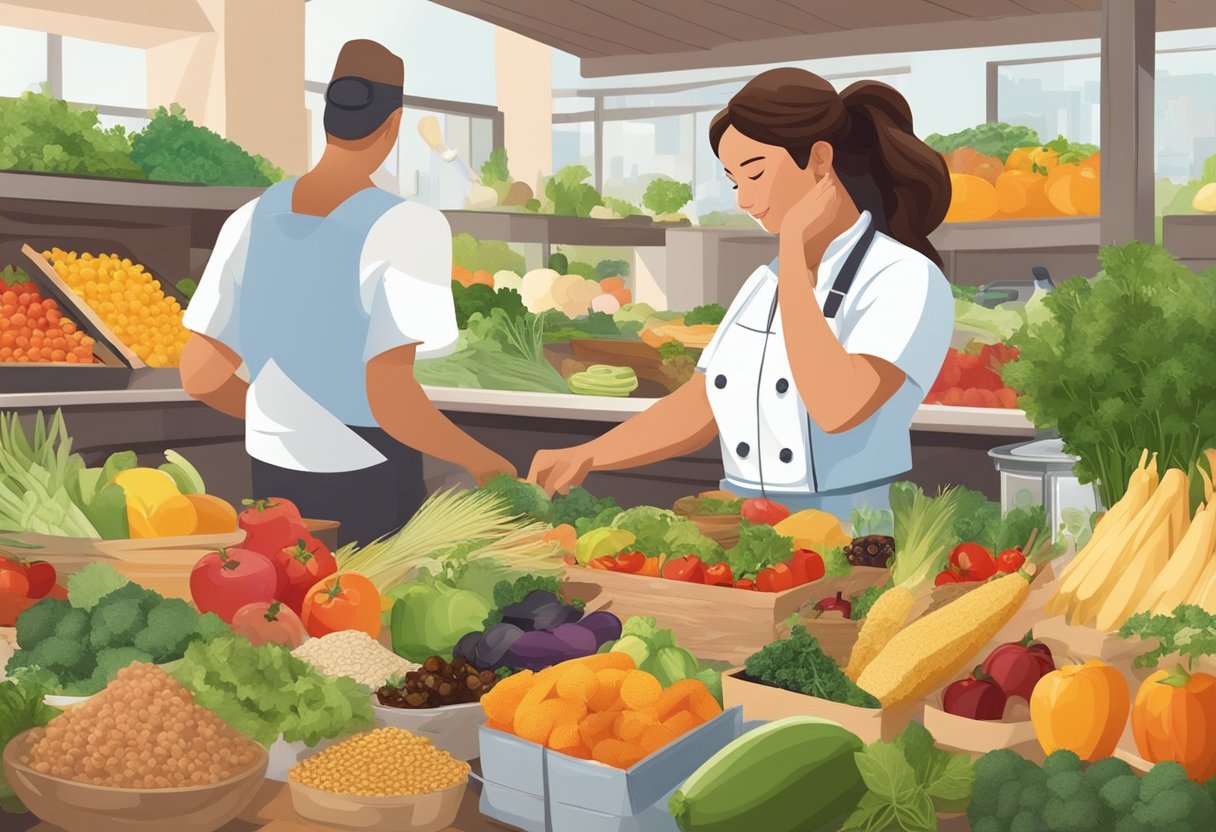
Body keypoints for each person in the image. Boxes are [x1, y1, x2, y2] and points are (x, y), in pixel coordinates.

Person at [530, 68, 953, 520]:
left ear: (820, 159)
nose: (744, 201)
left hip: (847, 529)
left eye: (755, 174)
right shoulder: (764, 282)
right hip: (741, 521)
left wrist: (792, 247)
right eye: (734, 181)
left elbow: (837, 406)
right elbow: (701, 402)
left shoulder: (905, 276)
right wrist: (588, 455)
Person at [180, 39, 514, 546]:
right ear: (394, 122)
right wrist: (481, 459)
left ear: (326, 117)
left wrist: (285, 414)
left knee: (287, 606)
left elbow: (200, 375)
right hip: (367, 472)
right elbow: (391, 397)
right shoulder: (410, 225)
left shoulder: (248, 219)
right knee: (365, 612)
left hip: (272, 472)